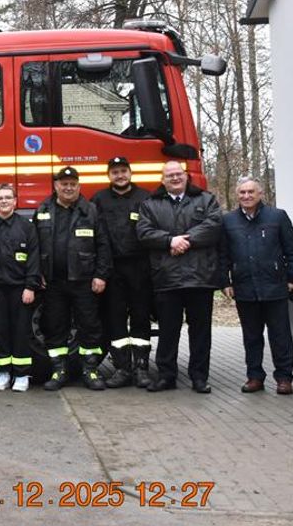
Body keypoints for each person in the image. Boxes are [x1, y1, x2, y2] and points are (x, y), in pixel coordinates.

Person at [136, 161, 223, 394]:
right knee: (168, 331)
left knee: (201, 332)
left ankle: (199, 377)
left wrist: (185, 241)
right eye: (169, 175)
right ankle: (166, 376)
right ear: (162, 180)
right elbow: (143, 233)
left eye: (178, 174)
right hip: (167, 278)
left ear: (186, 176)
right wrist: (169, 241)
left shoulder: (206, 200)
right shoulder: (150, 204)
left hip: (200, 277)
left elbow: (214, 225)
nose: (175, 178)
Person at [220, 176, 293, 395]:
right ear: (237, 195)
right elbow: (223, 255)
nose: (246, 196)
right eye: (242, 193)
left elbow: (292, 251)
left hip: (275, 287)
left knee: (280, 335)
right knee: (251, 336)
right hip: (244, 288)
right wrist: (225, 281)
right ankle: (255, 377)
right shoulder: (228, 221)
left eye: (251, 192)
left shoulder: (277, 217)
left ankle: (284, 378)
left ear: (260, 194)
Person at [34, 167, 111, 392]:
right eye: (63, 184)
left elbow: (104, 246)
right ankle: (59, 371)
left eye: (72, 184)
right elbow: (35, 245)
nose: (68, 188)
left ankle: (90, 370)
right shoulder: (43, 210)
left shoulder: (91, 211)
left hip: (84, 281)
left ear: (79, 186)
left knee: (90, 326)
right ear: (56, 186)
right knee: (55, 327)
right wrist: (37, 272)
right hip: (53, 282)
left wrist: (100, 275)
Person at [90, 157, 153, 388]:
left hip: (140, 268)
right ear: (109, 175)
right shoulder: (98, 199)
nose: (120, 175)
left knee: (140, 318)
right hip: (112, 268)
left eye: (123, 171)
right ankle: (122, 368)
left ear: (130, 172)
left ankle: (141, 368)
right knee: (114, 320)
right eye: (115, 171)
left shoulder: (145, 198)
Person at [0, 183, 40, 392]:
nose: (4, 201)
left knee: (21, 331)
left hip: (20, 288)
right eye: (0, 198)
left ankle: (21, 375)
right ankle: (2, 373)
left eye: (7, 197)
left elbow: (34, 259)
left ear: (15, 201)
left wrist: (31, 286)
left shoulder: (27, 227)